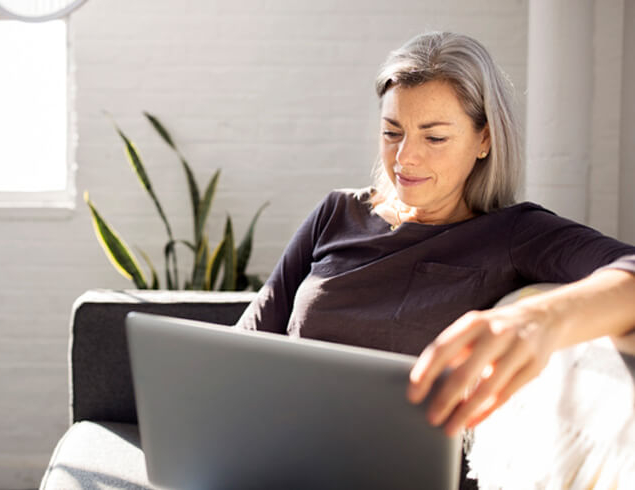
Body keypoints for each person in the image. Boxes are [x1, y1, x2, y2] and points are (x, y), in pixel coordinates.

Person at [235, 31, 635, 441]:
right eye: (392, 132)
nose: (405, 157)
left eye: (434, 137)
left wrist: (541, 319)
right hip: (279, 452)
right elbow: (242, 350)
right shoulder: (336, 213)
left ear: (485, 139)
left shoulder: (514, 233)